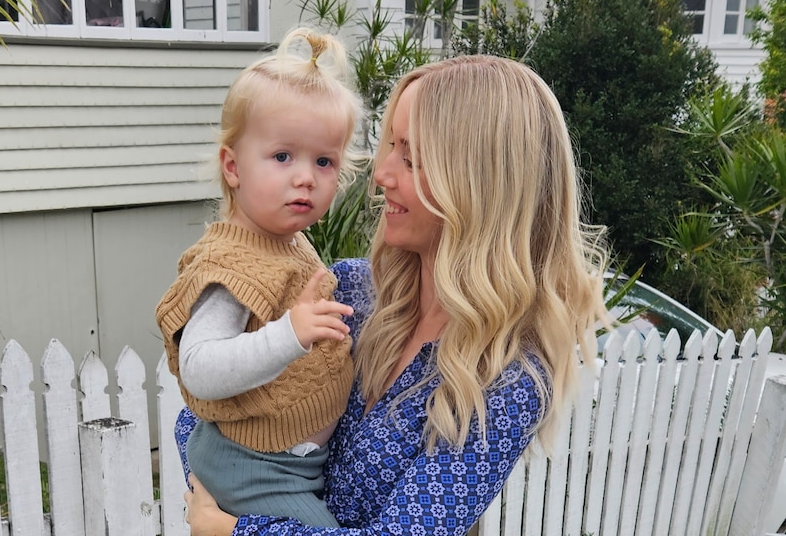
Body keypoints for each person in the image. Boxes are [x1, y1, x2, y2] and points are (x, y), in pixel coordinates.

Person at [177, 54, 609, 536]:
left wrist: (232, 529)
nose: (382, 174)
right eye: (389, 148)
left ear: (478, 186)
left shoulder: (505, 381)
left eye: (410, 157)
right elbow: (204, 413)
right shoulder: (353, 294)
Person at [156, 27, 364, 527]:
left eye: (324, 161)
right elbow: (202, 369)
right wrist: (290, 333)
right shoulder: (230, 266)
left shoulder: (286, 240)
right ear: (233, 166)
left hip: (287, 462)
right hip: (256, 468)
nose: (306, 177)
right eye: (283, 156)